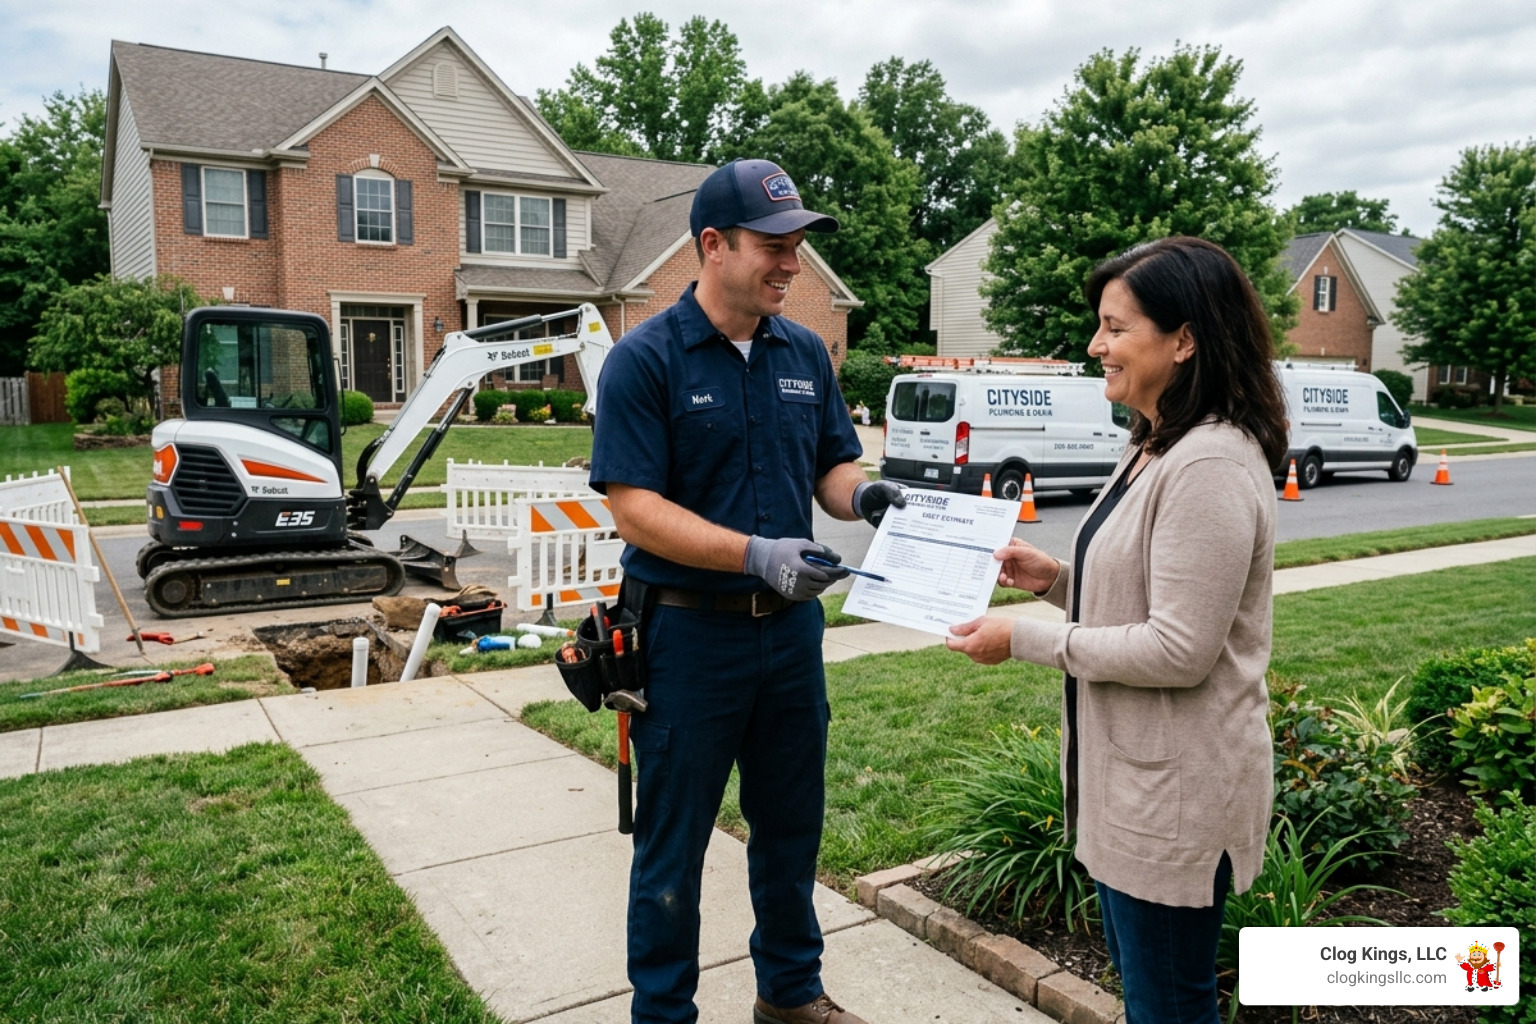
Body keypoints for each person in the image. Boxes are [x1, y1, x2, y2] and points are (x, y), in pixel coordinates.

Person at [589, 158, 905, 1024]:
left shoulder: (803, 351)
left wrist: (864, 495)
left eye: (797, 247)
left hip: (790, 640)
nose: (792, 266)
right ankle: (663, 1014)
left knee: (791, 826)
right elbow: (634, 507)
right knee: (672, 847)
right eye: (774, 247)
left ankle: (791, 995)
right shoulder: (643, 360)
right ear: (713, 246)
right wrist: (754, 554)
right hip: (690, 640)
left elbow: (832, 465)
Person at [945, 237, 1288, 1024]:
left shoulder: (1207, 464)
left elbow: (1180, 648)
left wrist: (1023, 637)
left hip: (1174, 799)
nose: (1096, 346)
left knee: (1169, 1007)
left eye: (1114, 327)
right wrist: (1057, 580)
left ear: (1185, 338)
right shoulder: (1152, 442)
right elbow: (1148, 598)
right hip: (1135, 789)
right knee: (1154, 1001)